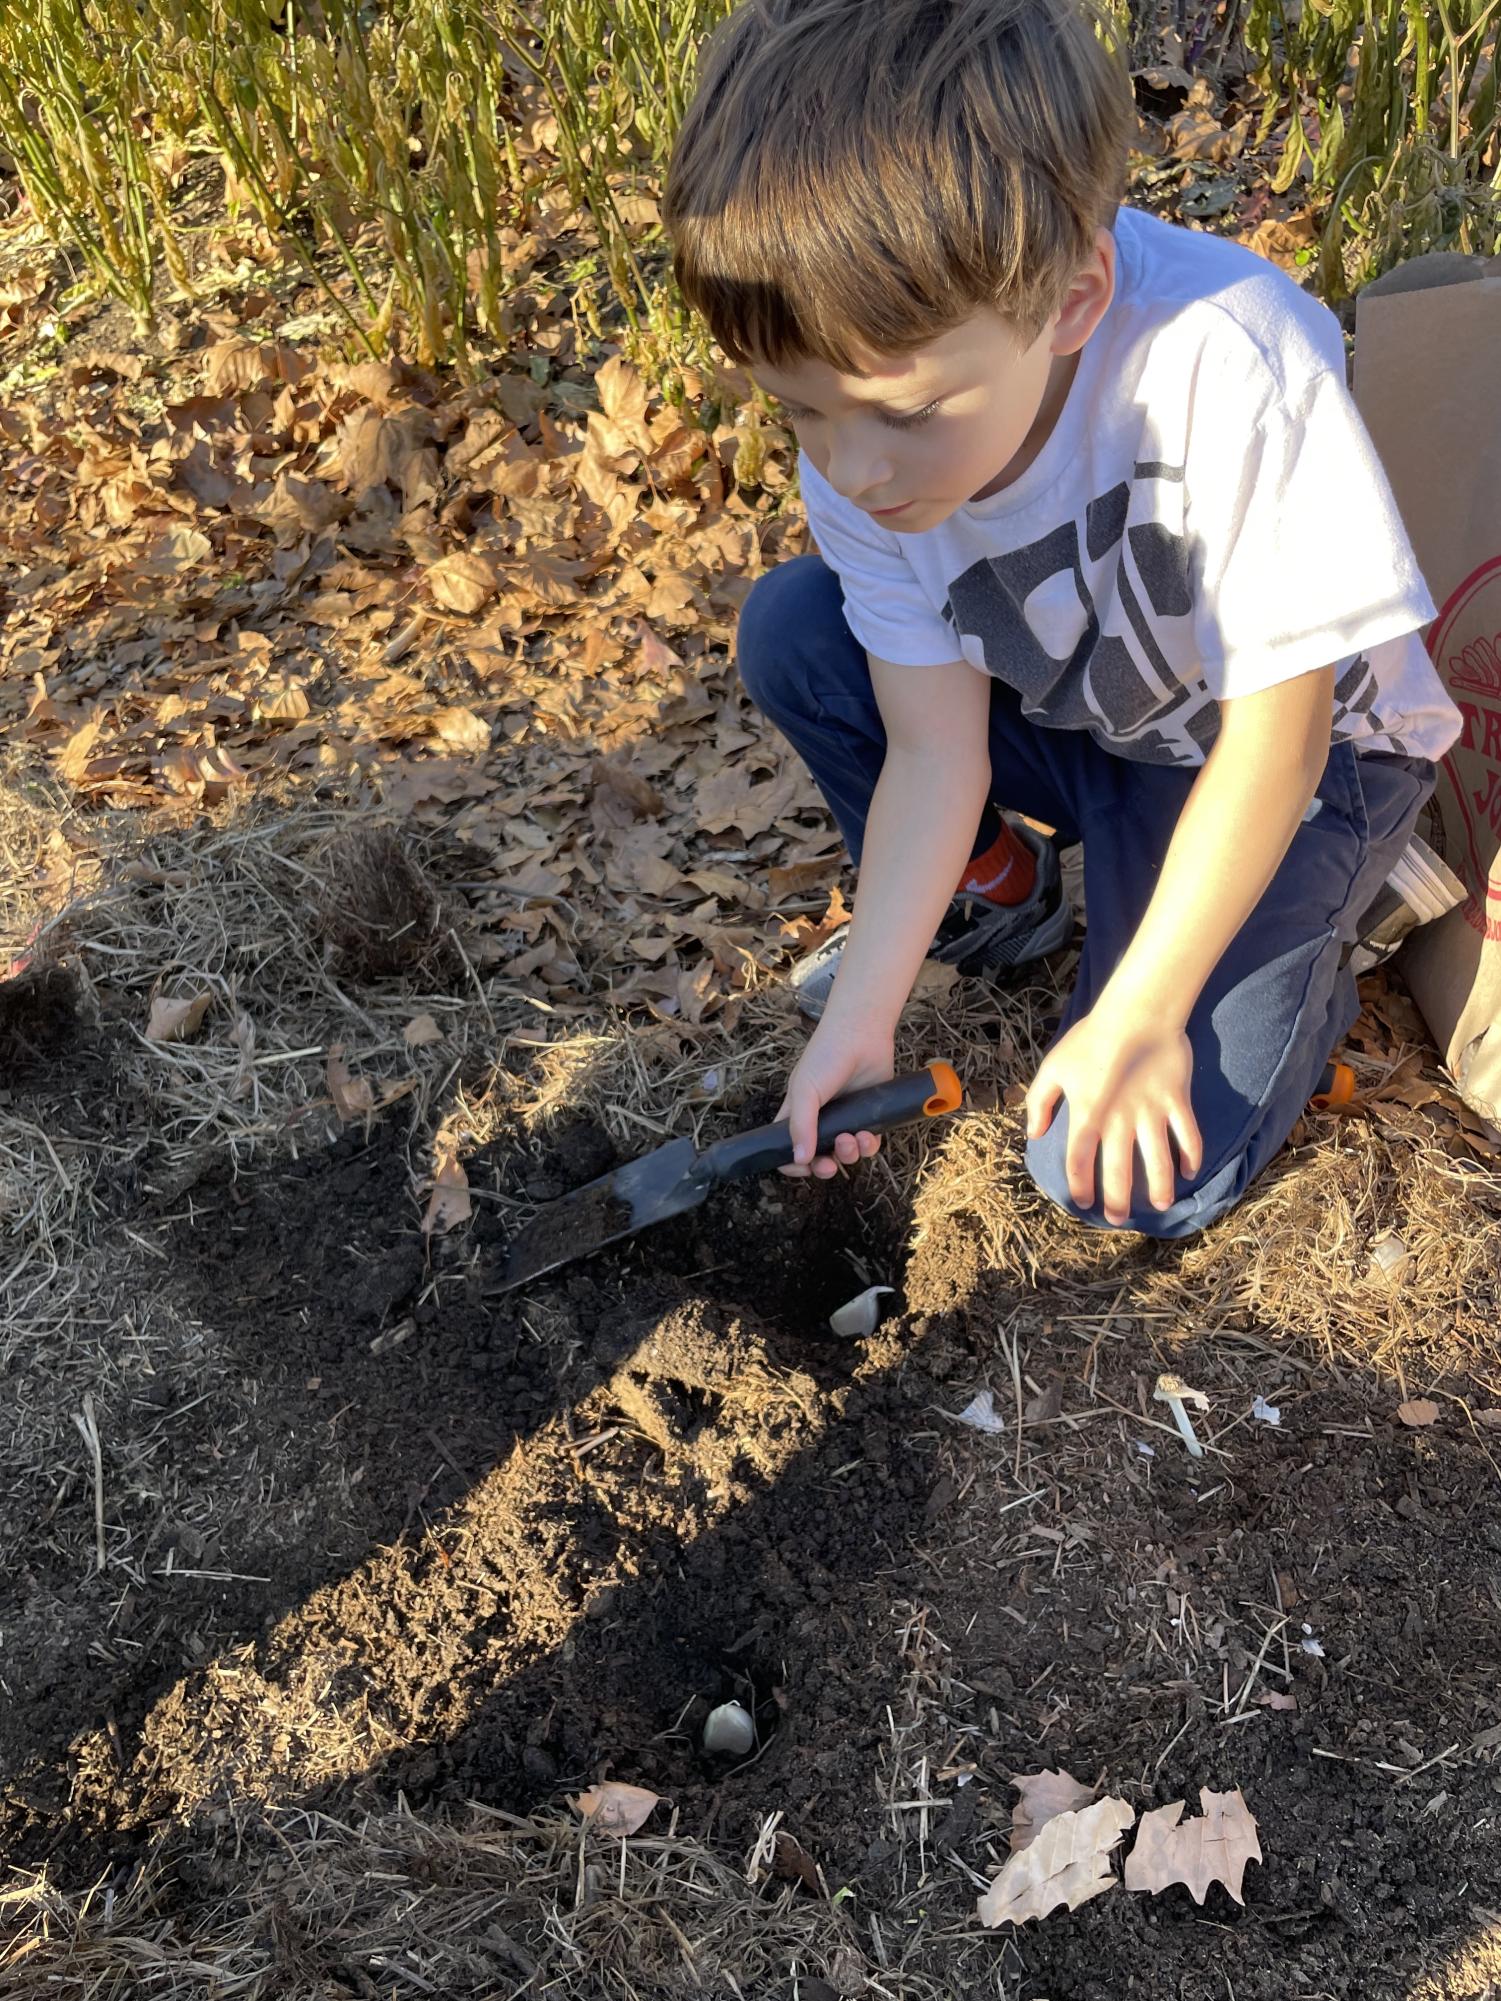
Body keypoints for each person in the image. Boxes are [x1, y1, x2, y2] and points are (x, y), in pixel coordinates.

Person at [662, 0, 1461, 1237]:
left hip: (1293, 762)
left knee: (1129, 1183)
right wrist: (860, 1019)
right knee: (795, 632)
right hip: (1088, 713)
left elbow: (1276, 740)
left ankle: (1337, 909)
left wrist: (1139, 1017)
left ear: (1074, 296)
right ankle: (1009, 886)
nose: (854, 470)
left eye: (906, 413)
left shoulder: (1227, 362)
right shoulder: (867, 420)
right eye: (799, 412)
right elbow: (933, 746)